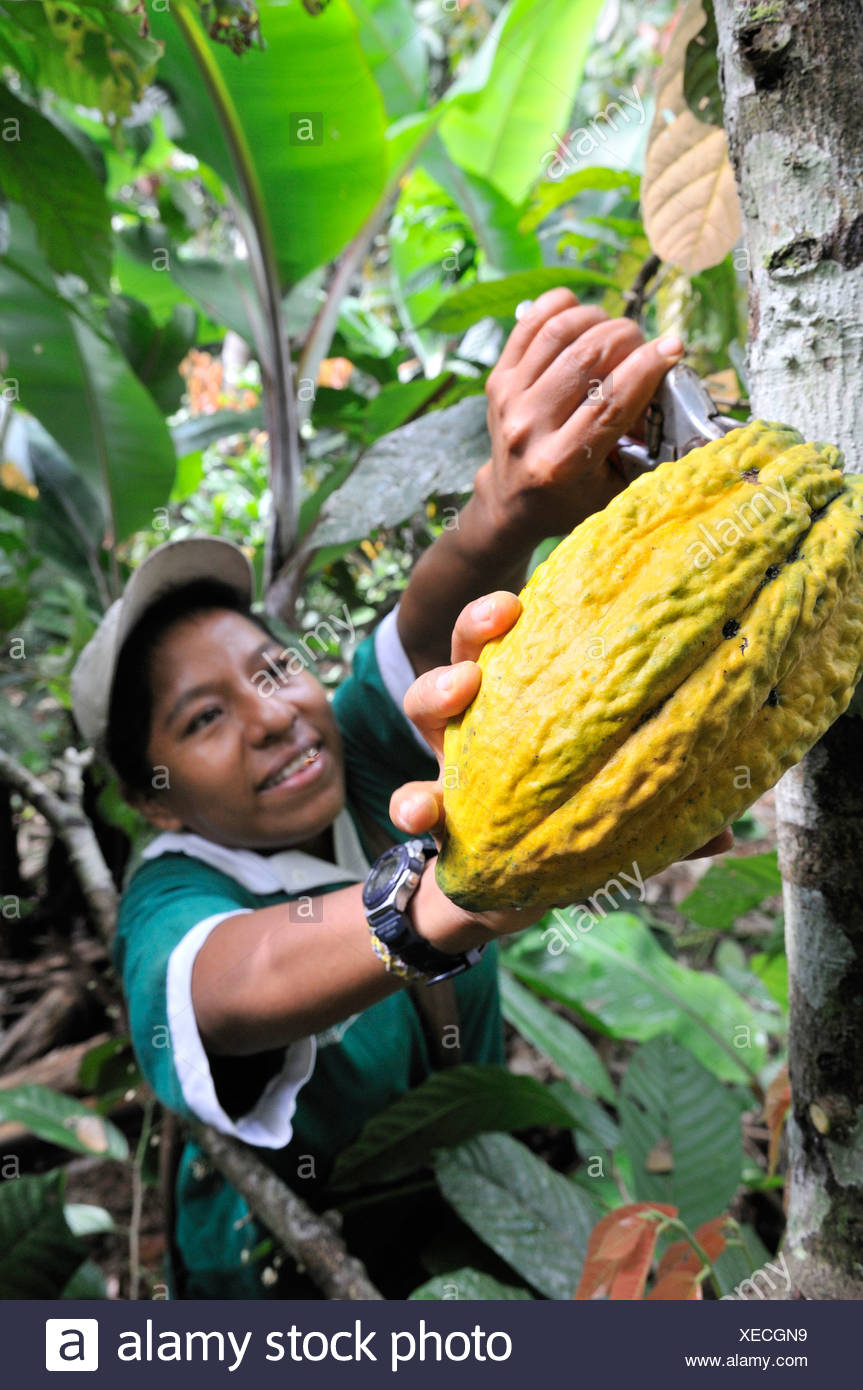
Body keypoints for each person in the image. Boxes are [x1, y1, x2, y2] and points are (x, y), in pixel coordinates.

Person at [70, 290, 733, 1298]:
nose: (269, 718)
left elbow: (431, 615)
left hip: (467, 1212)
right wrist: (473, 885)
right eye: (201, 720)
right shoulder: (170, 897)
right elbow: (235, 981)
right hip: (282, 1287)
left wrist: (514, 497)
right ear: (156, 800)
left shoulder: (349, 752)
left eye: (268, 669)